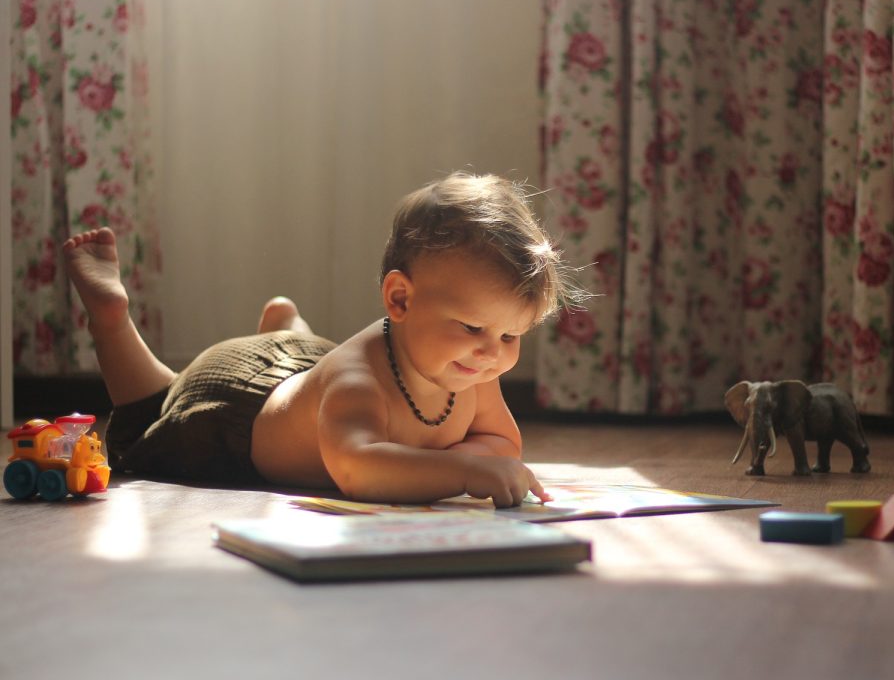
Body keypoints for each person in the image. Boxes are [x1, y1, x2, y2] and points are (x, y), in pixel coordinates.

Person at [63, 172, 583, 507]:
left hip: (307, 370)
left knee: (313, 360)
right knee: (156, 406)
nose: (493, 352)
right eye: (473, 327)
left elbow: (501, 443)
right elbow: (358, 469)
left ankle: (287, 328)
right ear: (399, 300)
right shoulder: (357, 381)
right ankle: (112, 320)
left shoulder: (473, 367)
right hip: (232, 410)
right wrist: (463, 468)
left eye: (512, 335)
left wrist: (484, 457)